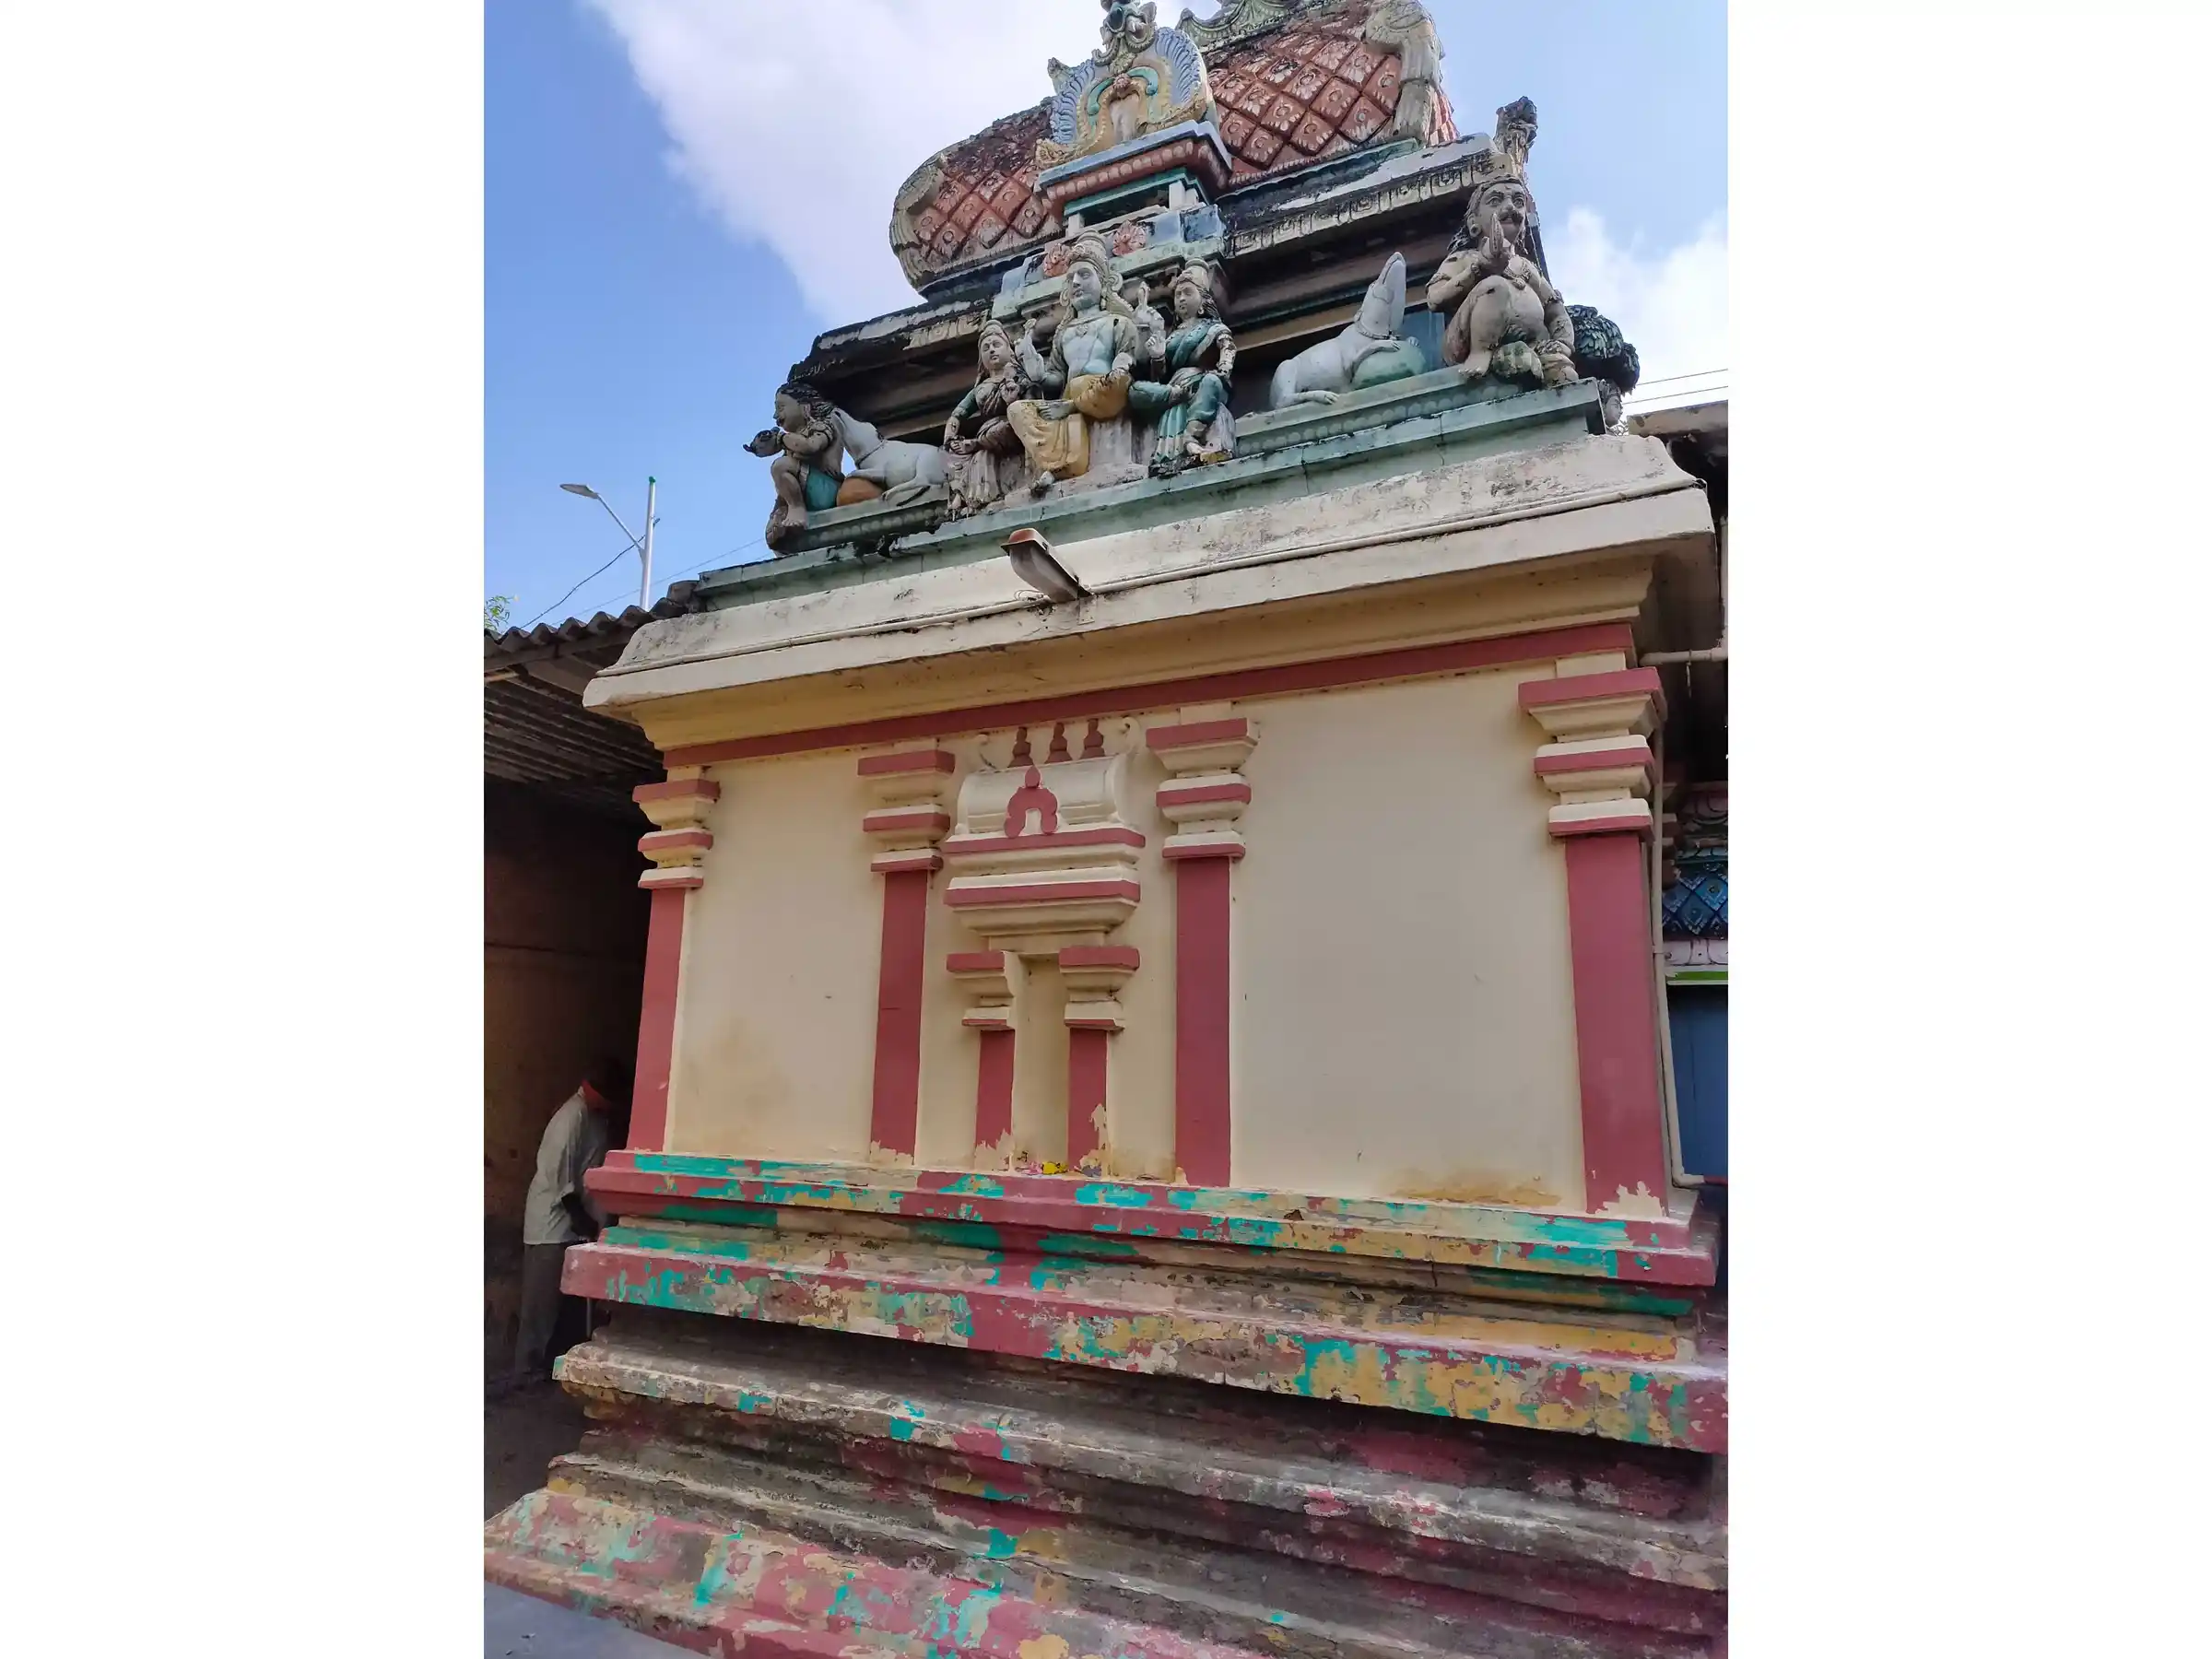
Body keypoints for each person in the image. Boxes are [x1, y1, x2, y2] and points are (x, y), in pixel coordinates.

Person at [508, 1058, 629, 1388]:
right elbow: (560, 1180)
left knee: (569, 1308)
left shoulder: (595, 1118)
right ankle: (526, 1374)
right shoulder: (570, 1117)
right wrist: (584, 1221)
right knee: (540, 1305)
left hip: (577, 1226)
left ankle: (551, 1369)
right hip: (552, 1225)